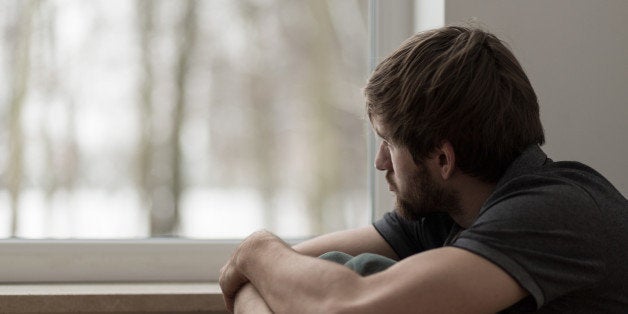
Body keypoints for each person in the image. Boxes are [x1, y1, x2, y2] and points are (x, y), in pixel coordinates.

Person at [219, 25, 628, 313]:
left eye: (389, 144)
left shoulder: (557, 212)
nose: (380, 162)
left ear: (443, 160)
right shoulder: (448, 214)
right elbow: (268, 276)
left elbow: (341, 305)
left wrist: (256, 247)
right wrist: (266, 273)